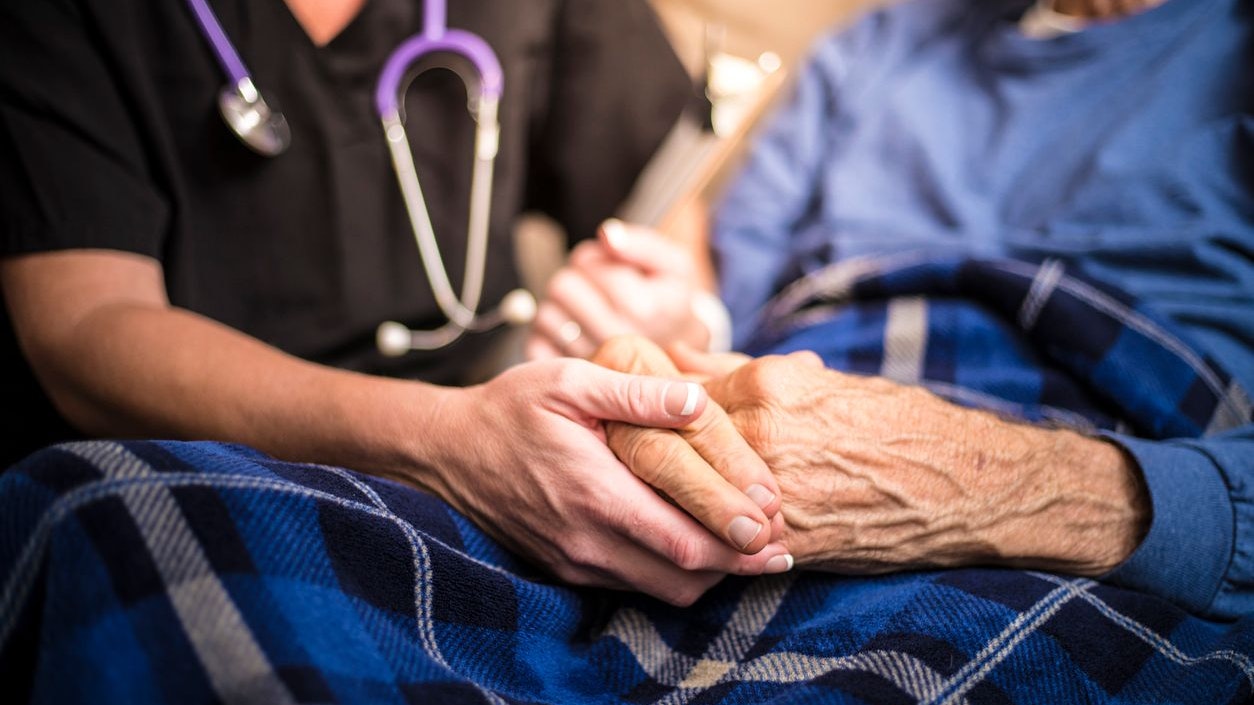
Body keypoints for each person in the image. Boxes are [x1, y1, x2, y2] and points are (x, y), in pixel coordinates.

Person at [0, 0, 797, 605]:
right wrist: (449, 443)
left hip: (512, 461)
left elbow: (660, 212)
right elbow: (83, 327)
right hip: (190, 474)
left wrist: (676, 314)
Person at [534, 0, 1253, 620]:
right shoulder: (872, 47)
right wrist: (677, 326)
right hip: (785, 429)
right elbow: (731, 302)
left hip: (1111, 479)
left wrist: (991, 485)